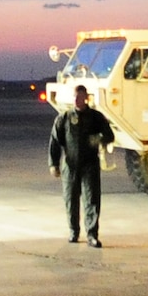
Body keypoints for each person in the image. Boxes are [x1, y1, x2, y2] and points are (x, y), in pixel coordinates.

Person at [47, 88, 114, 247]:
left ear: (86, 98)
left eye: (80, 97)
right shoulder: (64, 118)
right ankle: (73, 231)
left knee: (91, 200)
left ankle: (92, 235)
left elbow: (110, 135)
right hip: (70, 165)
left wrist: (97, 139)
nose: (77, 100)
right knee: (71, 200)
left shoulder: (96, 117)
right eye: (75, 97)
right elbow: (55, 141)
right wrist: (53, 164)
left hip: (89, 165)